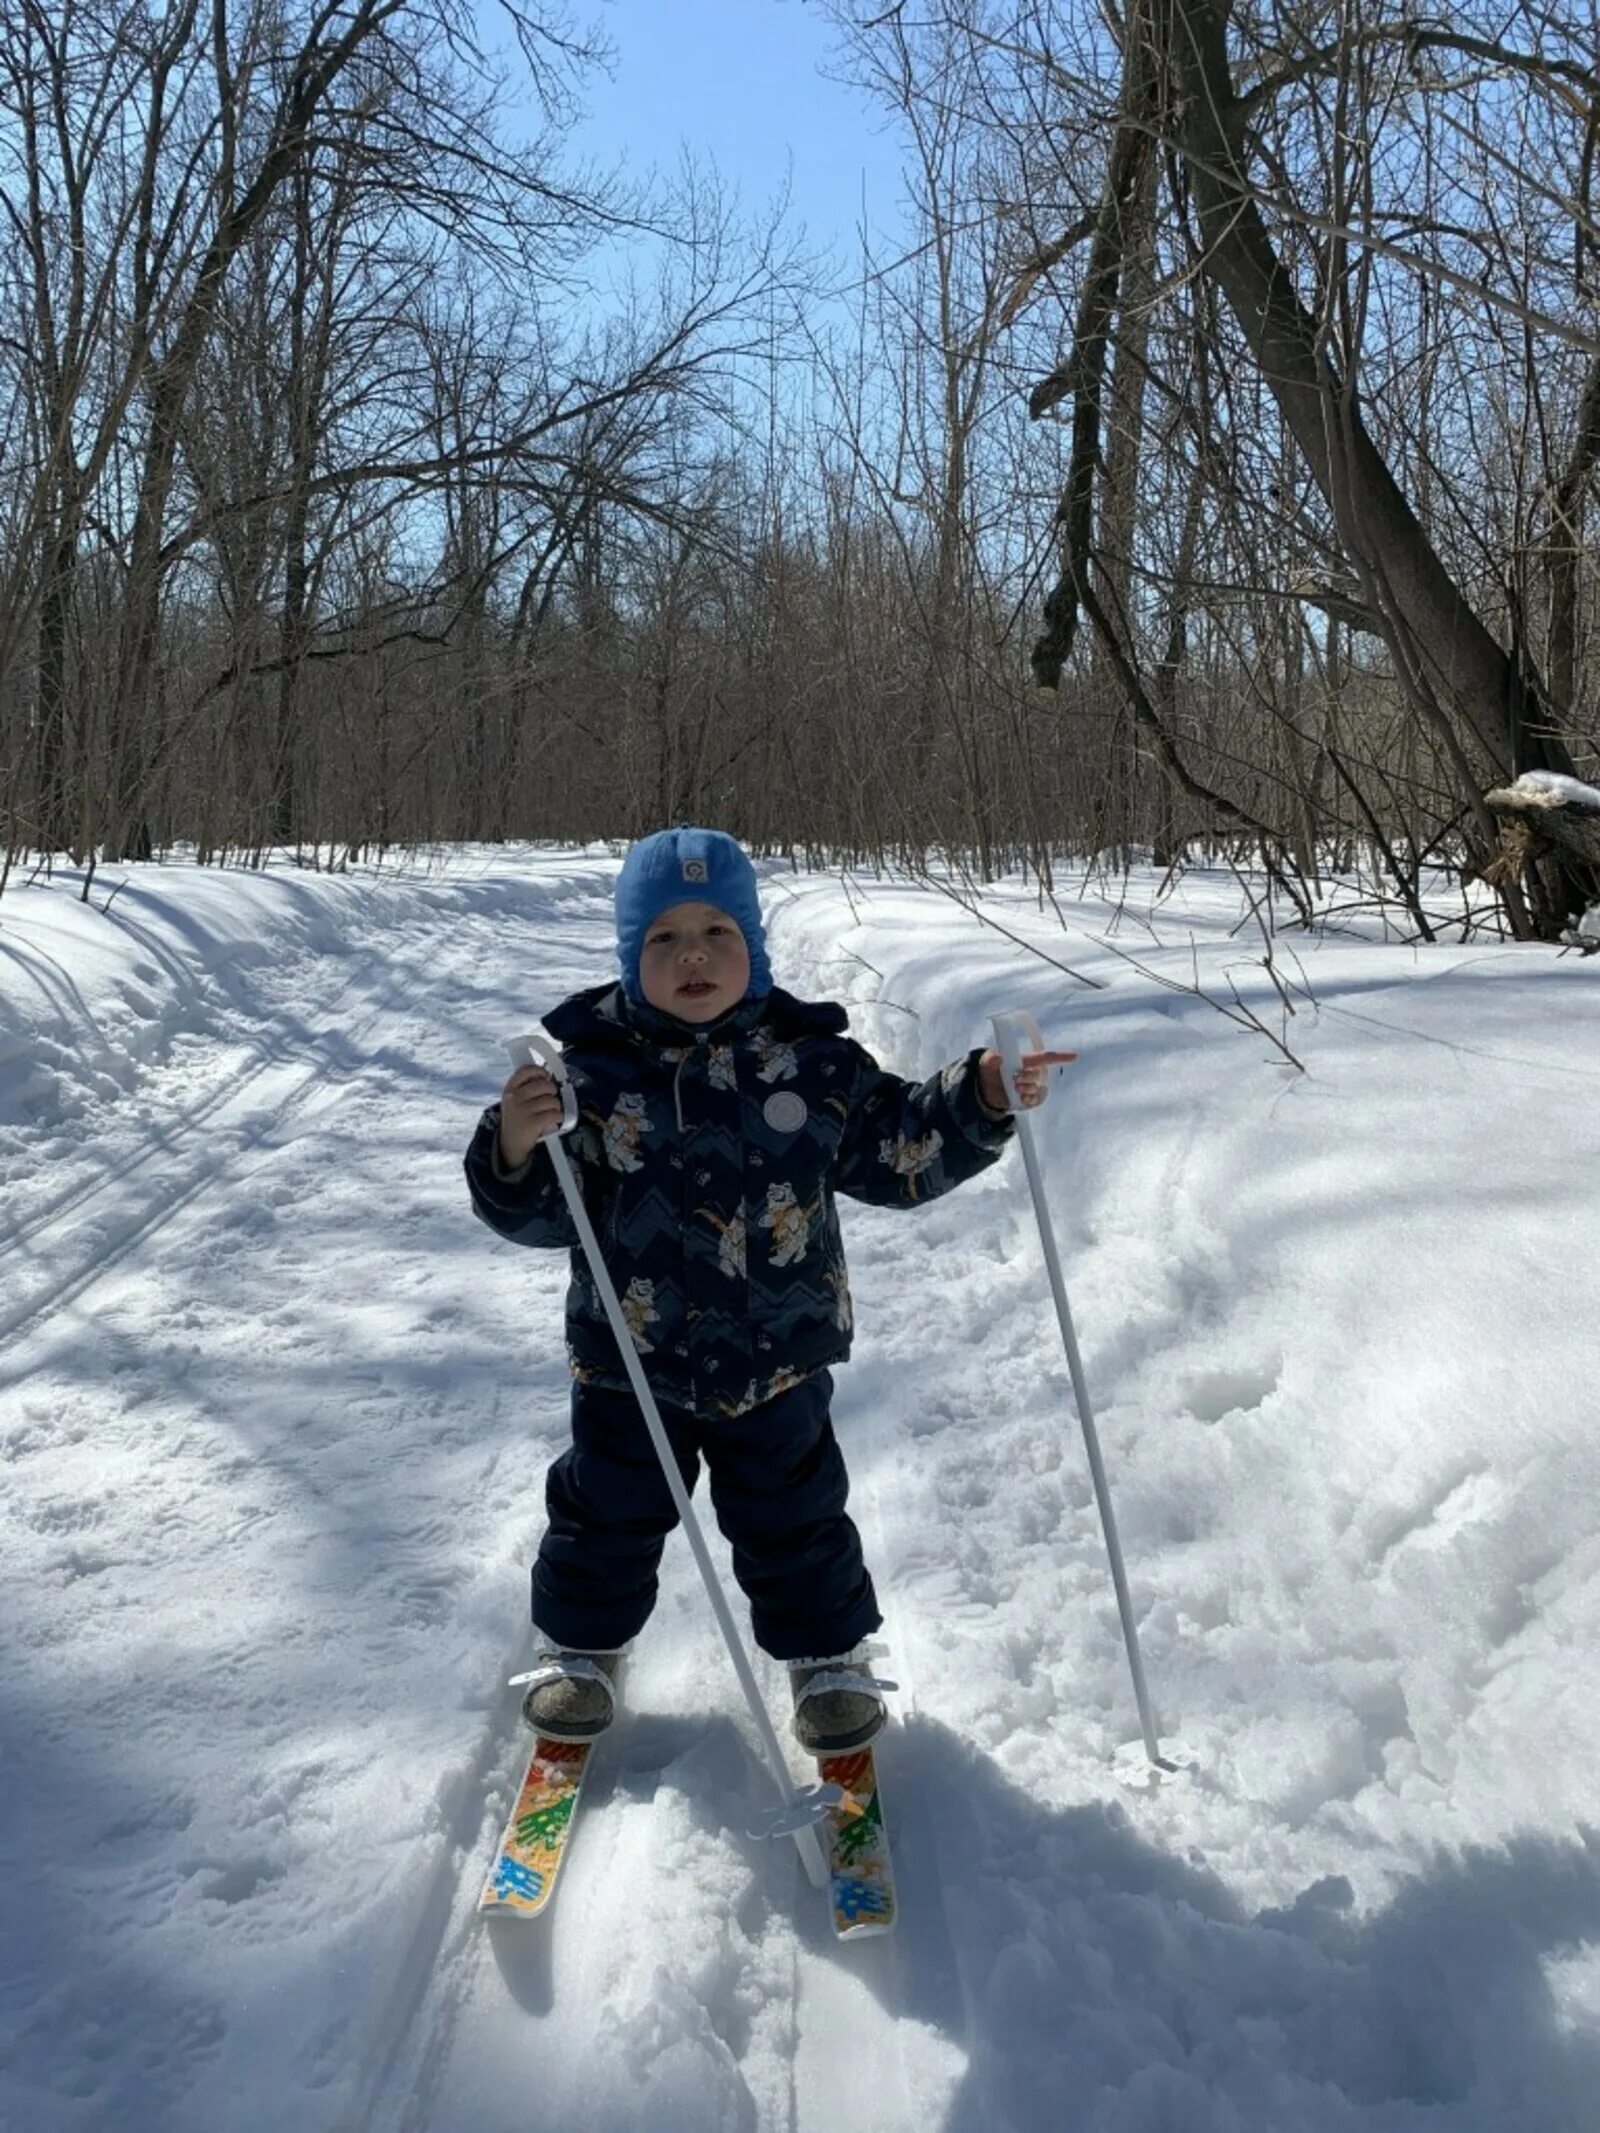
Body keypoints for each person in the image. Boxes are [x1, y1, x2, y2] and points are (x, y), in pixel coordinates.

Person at [463, 827, 1071, 1755]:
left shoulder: (812, 1065)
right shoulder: (583, 1076)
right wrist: (513, 1142)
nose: (693, 953)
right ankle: (581, 1651)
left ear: (754, 946)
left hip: (776, 1357)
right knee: (605, 1512)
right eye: (663, 938)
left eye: (717, 931)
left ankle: (827, 1662)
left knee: (796, 1517)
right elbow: (542, 1213)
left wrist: (980, 1097)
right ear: (631, 957)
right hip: (632, 1359)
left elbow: (898, 1149)